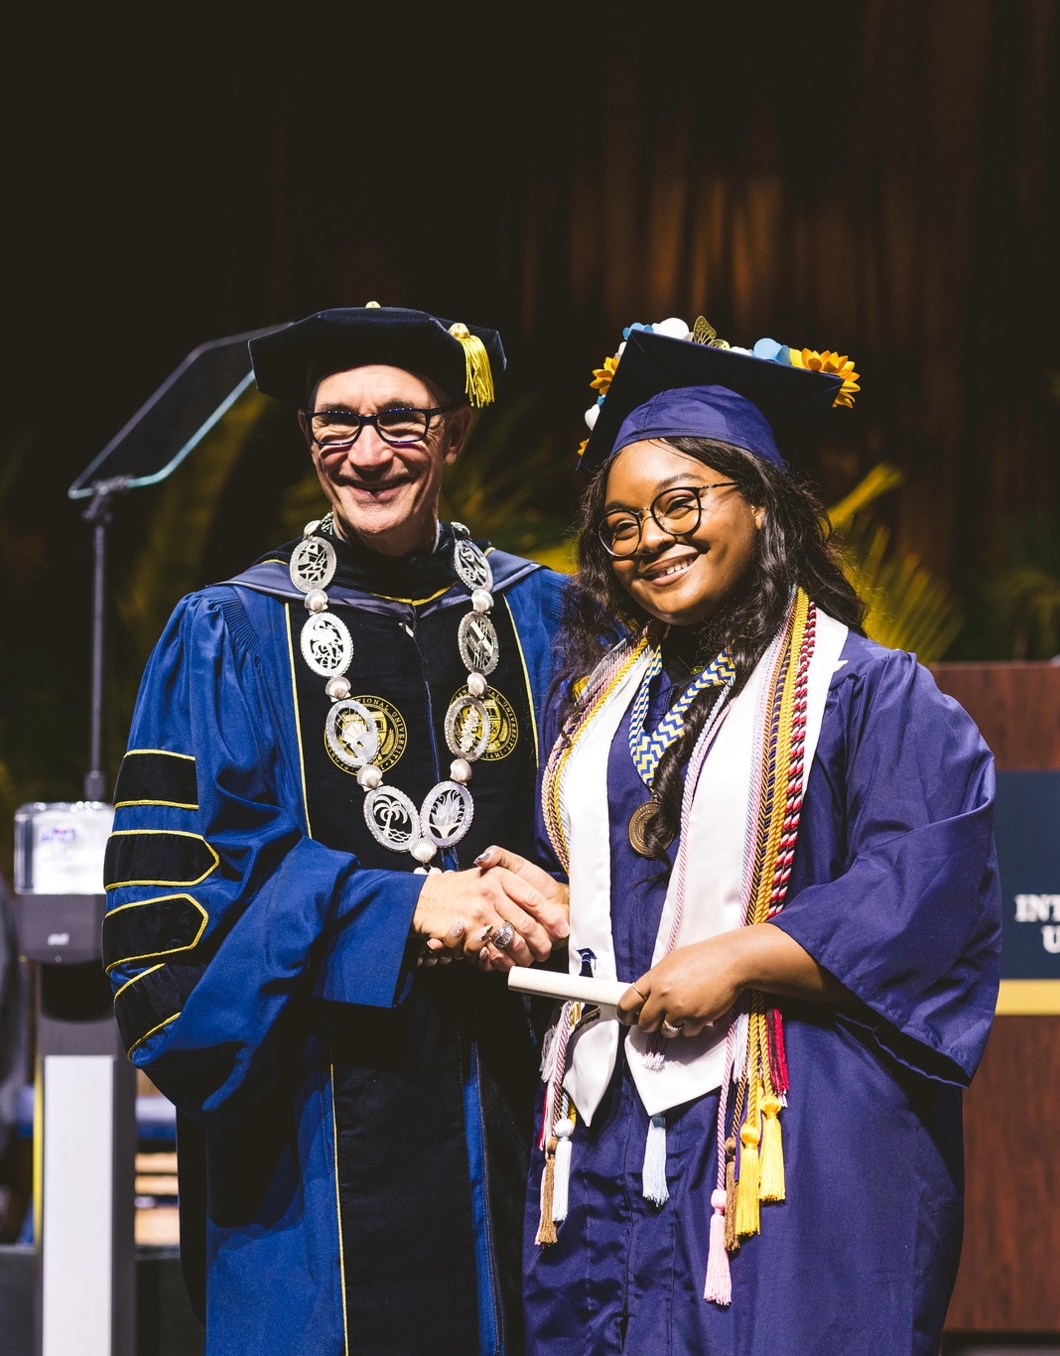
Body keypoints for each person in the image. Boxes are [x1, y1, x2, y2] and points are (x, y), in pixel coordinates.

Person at [509, 320, 1001, 1356]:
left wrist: (738, 959)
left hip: (782, 1132)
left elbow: (925, 892)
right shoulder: (603, 699)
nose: (651, 540)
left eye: (681, 504)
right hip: (610, 1130)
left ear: (763, 501)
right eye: (620, 525)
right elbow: (631, 887)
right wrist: (554, 900)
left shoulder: (869, 693)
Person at [102, 305, 569, 1356]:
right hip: (314, 1151)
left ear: (453, 432)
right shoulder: (227, 633)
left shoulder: (549, 620)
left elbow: (636, 844)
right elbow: (168, 932)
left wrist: (570, 901)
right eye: (335, 424)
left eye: (401, 422)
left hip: (523, 1128)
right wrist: (401, 908)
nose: (367, 453)